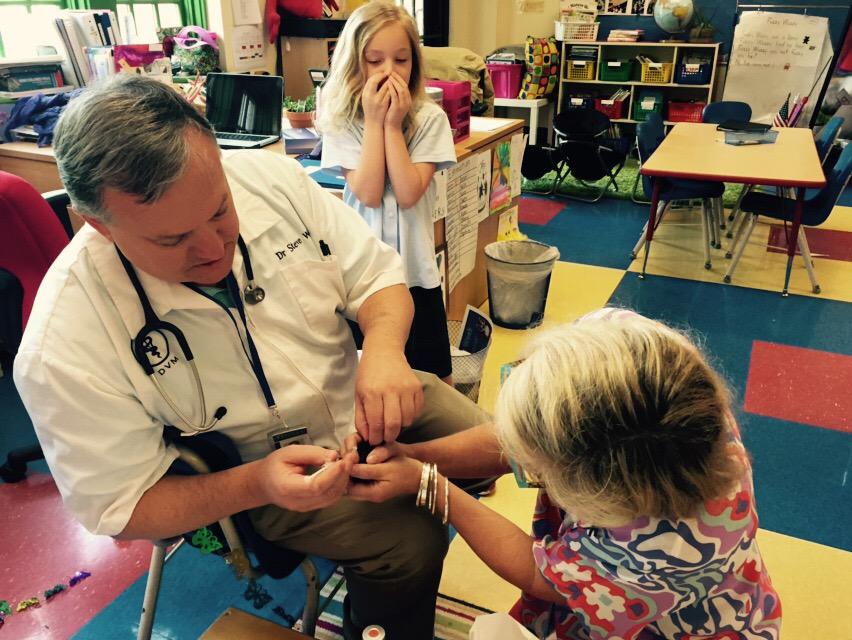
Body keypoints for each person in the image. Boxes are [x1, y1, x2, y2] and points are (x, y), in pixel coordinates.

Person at [13, 75, 489, 640]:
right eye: (172, 241)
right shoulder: (63, 344)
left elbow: (377, 276)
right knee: (412, 541)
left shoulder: (271, 179)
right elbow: (121, 504)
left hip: (359, 388)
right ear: (97, 225)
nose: (215, 250)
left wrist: (384, 352)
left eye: (219, 210)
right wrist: (257, 484)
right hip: (257, 471)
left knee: (501, 447)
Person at [348, 308, 782, 639]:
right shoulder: (637, 357)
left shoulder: (663, 549)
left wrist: (429, 483)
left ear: (596, 489)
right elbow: (525, 440)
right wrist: (414, 455)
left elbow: (544, 577)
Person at [318, 1, 457, 384]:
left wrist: (392, 126)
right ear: (354, 63)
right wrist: (375, 121)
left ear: (414, 63)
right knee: (368, 377)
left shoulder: (430, 119)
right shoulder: (342, 120)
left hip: (417, 273)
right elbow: (367, 192)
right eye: (375, 60)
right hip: (364, 277)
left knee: (433, 380)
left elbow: (410, 192)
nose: (389, 71)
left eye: (401, 59)